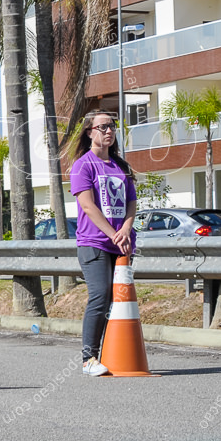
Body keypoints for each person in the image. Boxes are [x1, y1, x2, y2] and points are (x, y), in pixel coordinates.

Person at [70, 112, 137, 377]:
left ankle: (112, 353)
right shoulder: (83, 165)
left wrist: (126, 230)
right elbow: (87, 205)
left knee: (116, 301)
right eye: (103, 127)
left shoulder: (120, 166)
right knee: (99, 296)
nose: (109, 131)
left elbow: (131, 202)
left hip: (121, 244)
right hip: (94, 243)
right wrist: (113, 233)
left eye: (112, 126)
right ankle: (89, 359)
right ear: (89, 132)